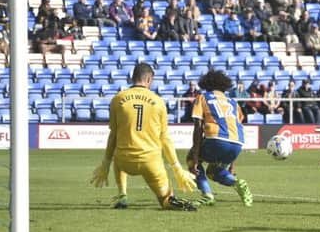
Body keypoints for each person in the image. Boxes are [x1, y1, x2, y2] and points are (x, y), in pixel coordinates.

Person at [90, 63, 197, 211]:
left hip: (124, 161)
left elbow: (113, 135)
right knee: (166, 198)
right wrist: (177, 168)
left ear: (133, 78)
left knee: (118, 151)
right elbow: (165, 138)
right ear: (148, 79)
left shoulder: (118, 99)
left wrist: (105, 163)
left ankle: (122, 195)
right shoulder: (158, 101)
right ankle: (171, 201)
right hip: (150, 162)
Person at [186, 70, 253, 207]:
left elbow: (198, 127)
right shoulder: (233, 102)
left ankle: (207, 195)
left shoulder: (203, 98)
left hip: (216, 139)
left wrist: (195, 156)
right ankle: (236, 182)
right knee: (213, 171)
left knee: (191, 159)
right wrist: (232, 166)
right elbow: (236, 130)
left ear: (206, 84)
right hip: (237, 144)